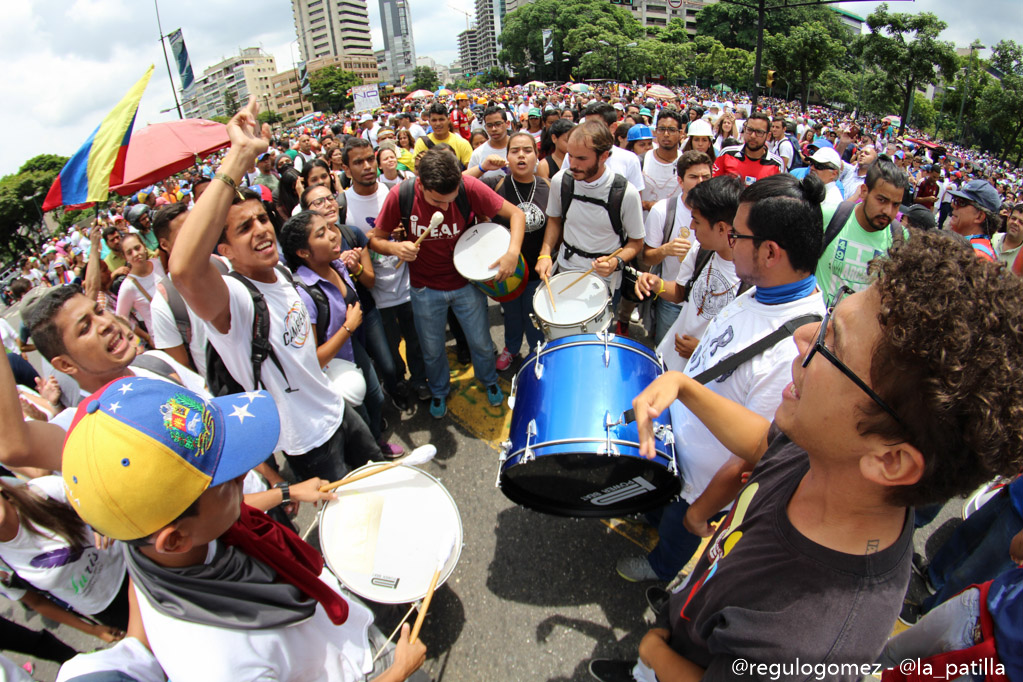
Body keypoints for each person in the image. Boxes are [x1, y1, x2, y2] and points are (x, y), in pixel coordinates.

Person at [590, 228, 1023, 682]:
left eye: (832, 344)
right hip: (695, 614)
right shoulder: (834, 453)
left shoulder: (809, 644)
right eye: (829, 316)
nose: (803, 335)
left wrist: (655, 653)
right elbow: (765, 442)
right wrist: (684, 388)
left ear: (891, 460)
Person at [60, 377, 427, 682]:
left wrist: (287, 491)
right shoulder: (221, 665)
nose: (243, 476)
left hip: (338, 630)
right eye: (228, 482)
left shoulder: (145, 542)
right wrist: (399, 671)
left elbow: (221, 517)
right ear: (173, 539)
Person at [619, 173, 825, 584]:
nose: (731, 243)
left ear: (769, 251)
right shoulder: (760, 289)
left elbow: (752, 455)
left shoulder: (794, 350)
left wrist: (699, 511)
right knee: (658, 505)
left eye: (739, 236)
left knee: (677, 534)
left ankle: (660, 569)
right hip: (676, 451)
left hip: (700, 486)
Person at [168, 98, 382, 483]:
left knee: (376, 480)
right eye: (243, 228)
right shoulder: (233, 300)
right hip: (308, 442)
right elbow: (182, 270)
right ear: (224, 252)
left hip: (337, 409)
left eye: (261, 219)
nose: (261, 230)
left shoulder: (283, 273)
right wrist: (239, 157)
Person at [368, 147, 525, 419]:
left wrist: (512, 252)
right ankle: (439, 391)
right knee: (432, 349)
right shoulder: (401, 194)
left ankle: (488, 380)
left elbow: (517, 215)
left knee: (481, 342)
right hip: (424, 288)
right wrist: (396, 249)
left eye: (450, 200)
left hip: (465, 283)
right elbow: (374, 238)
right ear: (421, 183)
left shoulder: (468, 186)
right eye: (437, 201)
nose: (444, 207)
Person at [279, 208, 401, 461]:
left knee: (376, 397)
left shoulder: (337, 265)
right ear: (303, 252)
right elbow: (313, 359)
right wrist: (348, 327)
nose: (334, 235)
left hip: (352, 349)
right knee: (360, 414)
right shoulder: (303, 294)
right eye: (321, 233)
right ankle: (371, 456)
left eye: (329, 228)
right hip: (331, 368)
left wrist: (355, 268)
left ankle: (374, 437)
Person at [340, 139, 428, 409]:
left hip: (408, 283)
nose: (367, 166)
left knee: (416, 340)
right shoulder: (342, 205)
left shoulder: (396, 192)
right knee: (389, 352)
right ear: (346, 168)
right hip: (374, 293)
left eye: (370, 159)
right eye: (358, 162)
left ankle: (420, 381)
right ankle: (397, 385)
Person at [535, 121, 646, 323]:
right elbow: (554, 220)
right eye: (570, 155)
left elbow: (636, 243)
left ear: (604, 156)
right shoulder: (561, 181)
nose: (573, 164)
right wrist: (544, 254)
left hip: (604, 281)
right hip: (565, 270)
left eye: (582, 158)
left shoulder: (625, 193)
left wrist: (615, 262)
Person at [0, 475, 129, 635]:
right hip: (108, 608)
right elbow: (37, 602)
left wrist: (102, 521)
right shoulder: (3, 566)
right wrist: (93, 630)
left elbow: (109, 499)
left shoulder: (43, 491)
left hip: (132, 569)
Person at [484, 132, 549, 370]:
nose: (521, 155)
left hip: (536, 269)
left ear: (537, 156)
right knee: (511, 315)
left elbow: (555, 228)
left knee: (535, 317)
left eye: (527, 150)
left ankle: (536, 352)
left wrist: (547, 255)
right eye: (515, 151)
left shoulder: (548, 187)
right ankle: (511, 349)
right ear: (506, 157)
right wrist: (482, 167)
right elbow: (456, 183)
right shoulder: (495, 185)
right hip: (506, 271)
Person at [641, 151, 713, 345]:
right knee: (666, 351)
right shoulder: (663, 211)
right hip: (672, 301)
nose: (700, 181)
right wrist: (666, 250)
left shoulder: (719, 214)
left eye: (705, 177)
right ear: (680, 181)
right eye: (693, 177)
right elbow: (647, 258)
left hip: (707, 308)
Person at [815, 157, 910, 303]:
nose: (888, 211)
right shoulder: (829, 216)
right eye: (882, 200)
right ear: (864, 192)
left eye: (896, 205)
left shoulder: (900, 238)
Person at [115, 233, 166, 348]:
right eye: (129, 252)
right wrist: (145, 336)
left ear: (144, 246)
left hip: (184, 326)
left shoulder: (158, 264)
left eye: (137, 248)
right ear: (125, 257)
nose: (136, 254)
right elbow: (121, 319)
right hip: (161, 337)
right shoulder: (128, 287)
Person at [712, 112, 783, 184]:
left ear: (768, 135)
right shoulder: (727, 154)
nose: (753, 136)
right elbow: (713, 186)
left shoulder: (776, 164)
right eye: (749, 130)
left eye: (759, 132)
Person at [639, 110, 685, 213]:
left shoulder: (686, 163)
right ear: (655, 132)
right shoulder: (641, 161)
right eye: (662, 129)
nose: (666, 134)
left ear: (680, 133)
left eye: (672, 130)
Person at [948, 178, 1002, 261]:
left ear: (979, 216)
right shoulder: (971, 247)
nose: (953, 205)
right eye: (955, 200)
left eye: (961, 202)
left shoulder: (975, 256)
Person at [412, 103, 473, 170]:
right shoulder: (422, 142)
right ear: (429, 122)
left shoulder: (461, 143)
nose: (438, 124)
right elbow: (417, 170)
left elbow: (471, 169)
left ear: (448, 120)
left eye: (441, 119)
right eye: (434, 120)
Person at [465, 106, 512, 183]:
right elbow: (467, 181)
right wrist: (482, 168)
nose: (494, 129)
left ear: (507, 124)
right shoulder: (478, 154)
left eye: (498, 124)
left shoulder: (520, 146)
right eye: (489, 125)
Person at [993, 202, 1023, 274]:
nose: (1015, 223)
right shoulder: (992, 238)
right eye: (1013, 218)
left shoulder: (1021, 256)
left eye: (1021, 222)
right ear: (1008, 219)